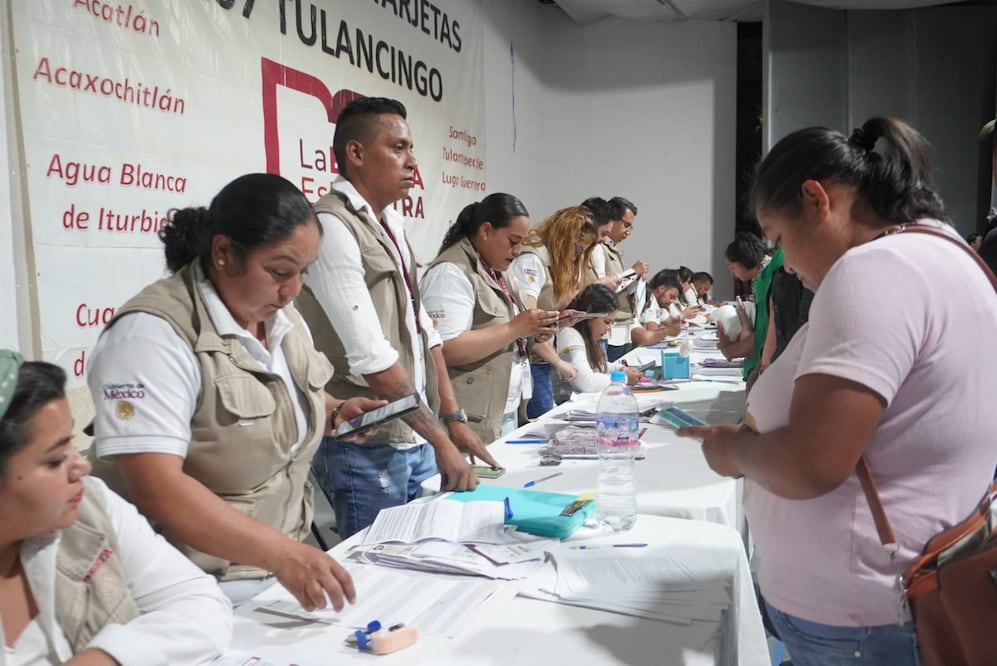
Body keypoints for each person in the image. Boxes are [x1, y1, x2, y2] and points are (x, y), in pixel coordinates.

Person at [679, 116, 997, 665]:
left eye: (779, 239)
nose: (788, 264)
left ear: (816, 198)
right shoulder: (948, 252)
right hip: (905, 586)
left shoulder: (874, 271)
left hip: (865, 613)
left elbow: (810, 463)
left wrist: (732, 449)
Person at [87, 173, 374, 609]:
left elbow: (282, 399)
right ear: (223, 253)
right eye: (279, 271)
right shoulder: (150, 336)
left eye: (303, 273)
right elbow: (157, 488)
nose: (291, 290)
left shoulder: (282, 318)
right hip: (192, 586)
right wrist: (282, 554)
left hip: (276, 571)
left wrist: (333, 412)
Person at [295, 97, 499, 540]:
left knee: (423, 554)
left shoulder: (391, 222)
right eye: (399, 148)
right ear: (356, 153)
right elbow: (372, 359)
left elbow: (424, 330)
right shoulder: (332, 226)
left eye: (411, 150)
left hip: (414, 431)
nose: (412, 163)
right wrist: (442, 440)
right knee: (378, 569)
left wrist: (453, 419)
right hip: (365, 438)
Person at [0, 351, 232, 664]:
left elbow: (200, 602)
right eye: (55, 460)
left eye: (72, 442)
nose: (81, 465)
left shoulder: (89, 507)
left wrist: (107, 657)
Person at [422, 193, 559, 441]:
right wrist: (515, 329)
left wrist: (537, 328)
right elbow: (444, 349)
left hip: (502, 410)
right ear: (486, 230)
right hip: (467, 418)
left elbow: (509, 331)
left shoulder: (499, 271)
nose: (518, 251)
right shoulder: (450, 273)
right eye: (513, 241)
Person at [509, 205, 598, 418]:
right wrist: (557, 361)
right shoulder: (531, 261)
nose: (578, 256)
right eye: (577, 249)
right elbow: (529, 321)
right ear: (564, 238)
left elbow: (541, 319)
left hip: (539, 359)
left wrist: (559, 320)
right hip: (529, 360)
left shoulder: (550, 265)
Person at [552, 284, 642, 402]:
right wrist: (624, 379)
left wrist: (620, 369)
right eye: (606, 322)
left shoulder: (583, 336)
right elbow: (586, 382)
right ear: (590, 315)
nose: (608, 328)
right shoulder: (569, 335)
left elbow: (597, 366)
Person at [589, 196, 650, 362]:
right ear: (611, 220)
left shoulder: (613, 250)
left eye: (631, 227)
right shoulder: (598, 249)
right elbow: (601, 288)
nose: (628, 232)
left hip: (622, 326)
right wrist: (632, 271)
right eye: (626, 225)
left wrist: (636, 279)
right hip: (607, 327)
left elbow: (618, 286)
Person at [720, 232, 783, 380]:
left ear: (745, 259)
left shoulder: (768, 276)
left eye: (732, 267)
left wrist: (729, 350)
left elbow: (765, 332)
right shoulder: (761, 278)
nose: (732, 274)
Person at [631, 269, 683, 347]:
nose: (671, 301)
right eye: (671, 297)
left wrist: (662, 329)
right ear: (661, 289)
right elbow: (647, 336)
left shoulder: (658, 304)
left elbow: (674, 323)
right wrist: (665, 331)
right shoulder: (649, 299)